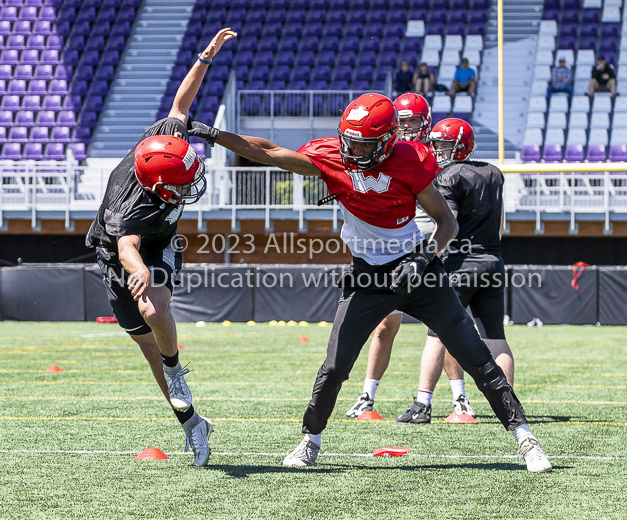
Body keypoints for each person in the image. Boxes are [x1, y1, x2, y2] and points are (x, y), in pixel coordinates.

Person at [211, 93, 552, 473]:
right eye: (349, 139)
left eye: (362, 142)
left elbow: (448, 224)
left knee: (475, 355)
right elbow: (269, 152)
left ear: (387, 141)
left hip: (418, 273)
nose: (352, 148)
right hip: (367, 277)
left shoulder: (410, 160)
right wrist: (212, 134)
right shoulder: (332, 155)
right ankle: (310, 439)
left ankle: (525, 438)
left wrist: (423, 259)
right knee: (336, 366)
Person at [85, 28, 237, 467]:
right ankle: (192, 422)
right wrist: (136, 269)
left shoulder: (163, 143)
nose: (191, 185)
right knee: (146, 346)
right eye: (181, 183)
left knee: (154, 311)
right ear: (157, 186)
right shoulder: (131, 205)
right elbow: (125, 243)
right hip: (121, 253)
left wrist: (205, 57)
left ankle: (175, 369)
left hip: (160, 245)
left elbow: (180, 105)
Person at [345, 95, 478, 425]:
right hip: (390, 250)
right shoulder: (381, 150)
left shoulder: (435, 153)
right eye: (400, 122)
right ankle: (367, 397)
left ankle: (459, 399)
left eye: (412, 122)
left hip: (429, 248)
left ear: (426, 122)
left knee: (445, 326)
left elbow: (448, 209)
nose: (406, 128)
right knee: (384, 325)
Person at [395, 119, 517, 427]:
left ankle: (422, 404)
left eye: (444, 145)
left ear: (461, 146)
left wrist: (425, 256)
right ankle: (509, 406)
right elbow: (500, 227)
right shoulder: (494, 173)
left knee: (436, 334)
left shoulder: (448, 175)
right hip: (492, 261)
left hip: (459, 264)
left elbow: (446, 224)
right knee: (495, 336)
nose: (437, 151)